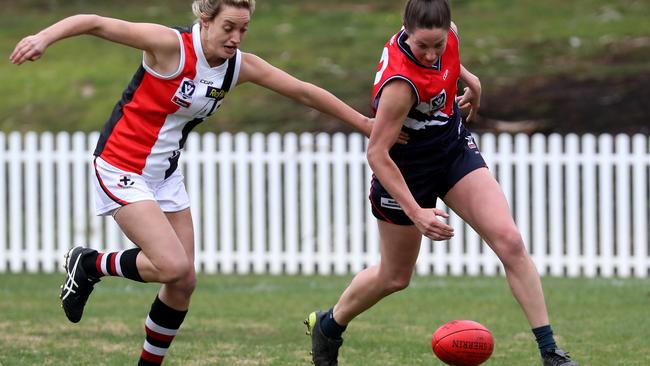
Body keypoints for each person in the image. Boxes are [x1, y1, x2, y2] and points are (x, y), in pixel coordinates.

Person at [10, 1, 406, 364]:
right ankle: (91, 263)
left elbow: (302, 90)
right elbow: (95, 22)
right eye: (228, 27)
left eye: (243, 30)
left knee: (183, 283)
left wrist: (365, 124)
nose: (236, 38)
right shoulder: (169, 46)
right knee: (171, 265)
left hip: (164, 175)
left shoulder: (238, 66)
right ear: (205, 20)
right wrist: (44, 37)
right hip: (120, 165)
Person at [304, 1, 579, 365]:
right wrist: (416, 213)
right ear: (405, 30)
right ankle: (330, 324)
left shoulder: (447, 35)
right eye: (423, 47)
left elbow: (446, 61)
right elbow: (377, 154)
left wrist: (471, 80)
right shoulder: (399, 85)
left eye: (439, 45)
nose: (433, 54)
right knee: (394, 276)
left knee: (510, 241)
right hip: (406, 168)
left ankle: (551, 353)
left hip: (451, 150)